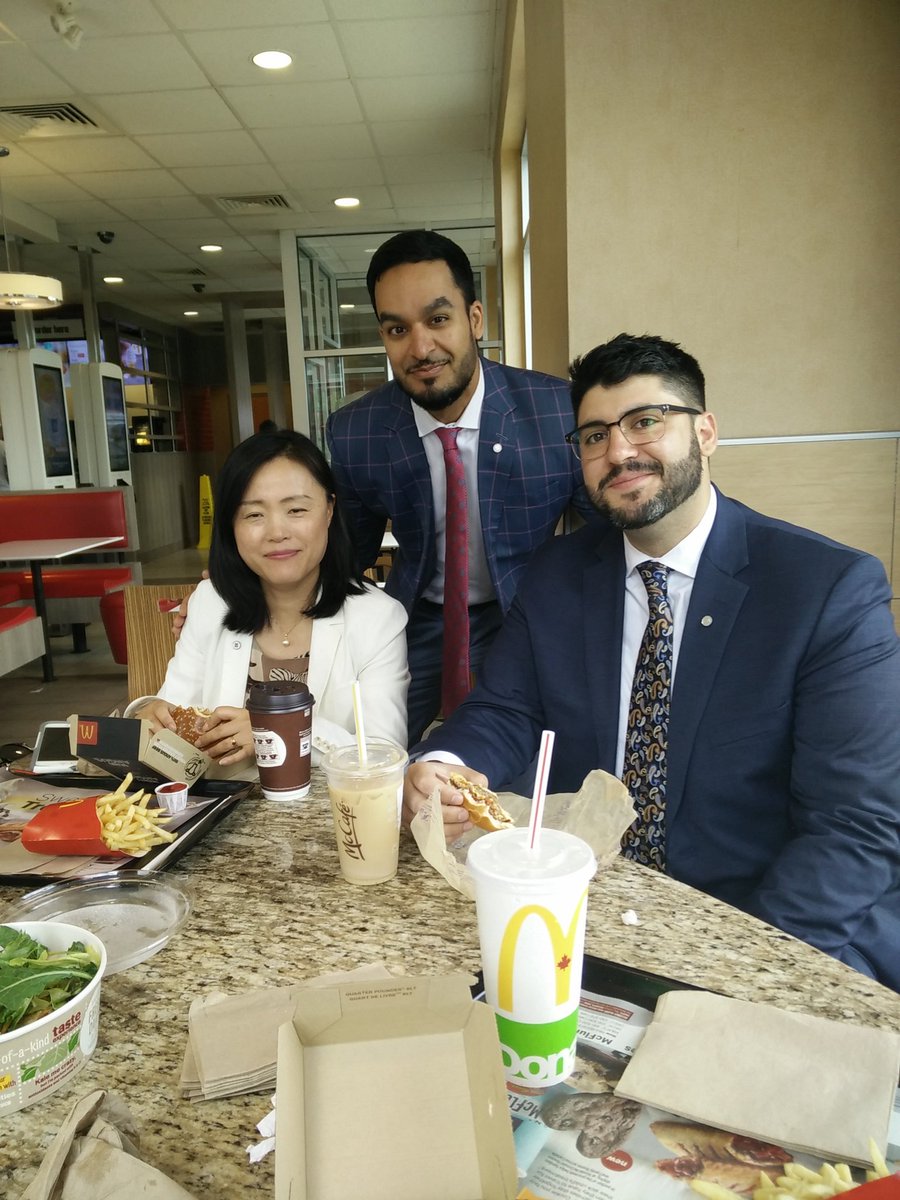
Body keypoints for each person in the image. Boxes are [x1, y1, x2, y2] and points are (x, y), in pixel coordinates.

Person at [403, 333, 900, 991]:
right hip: (588, 913)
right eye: (594, 436)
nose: (619, 452)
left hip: (755, 926)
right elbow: (504, 709)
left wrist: (740, 976)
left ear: (706, 432)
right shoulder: (557, 575)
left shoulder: (824, 590)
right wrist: (444, 767)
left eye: (646, 422)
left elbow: (853, 828)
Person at [325, 229, 598, 745]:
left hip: (525, 612)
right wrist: (242, 590)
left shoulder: (556, 410)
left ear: (474, 319)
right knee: (369, 754)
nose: (421, 347)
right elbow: (343, 557)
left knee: (528, 756)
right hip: (416, 615)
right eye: (397, 329)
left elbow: (612, 532)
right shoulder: (357, 430)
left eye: (438, 319)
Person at [131, 429, 409, 769]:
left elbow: (385, 756)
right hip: (222, 813)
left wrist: (275, 731)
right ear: (231, 525)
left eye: (296, 510)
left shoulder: (378, 619)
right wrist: (148, 713)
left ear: (329, 509)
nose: (277, 532)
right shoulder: (210, 603)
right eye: (253, 515)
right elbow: (172, 709)